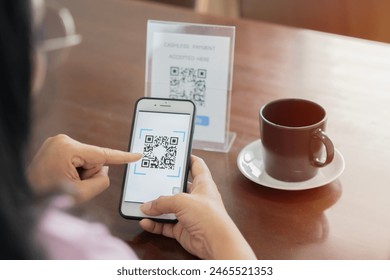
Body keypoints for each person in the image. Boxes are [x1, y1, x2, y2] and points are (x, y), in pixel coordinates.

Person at [0, 0, 256, 260]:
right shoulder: (88, 253)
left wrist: (29, 192)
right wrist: (224, 242)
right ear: (25, 63)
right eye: (40, 29)